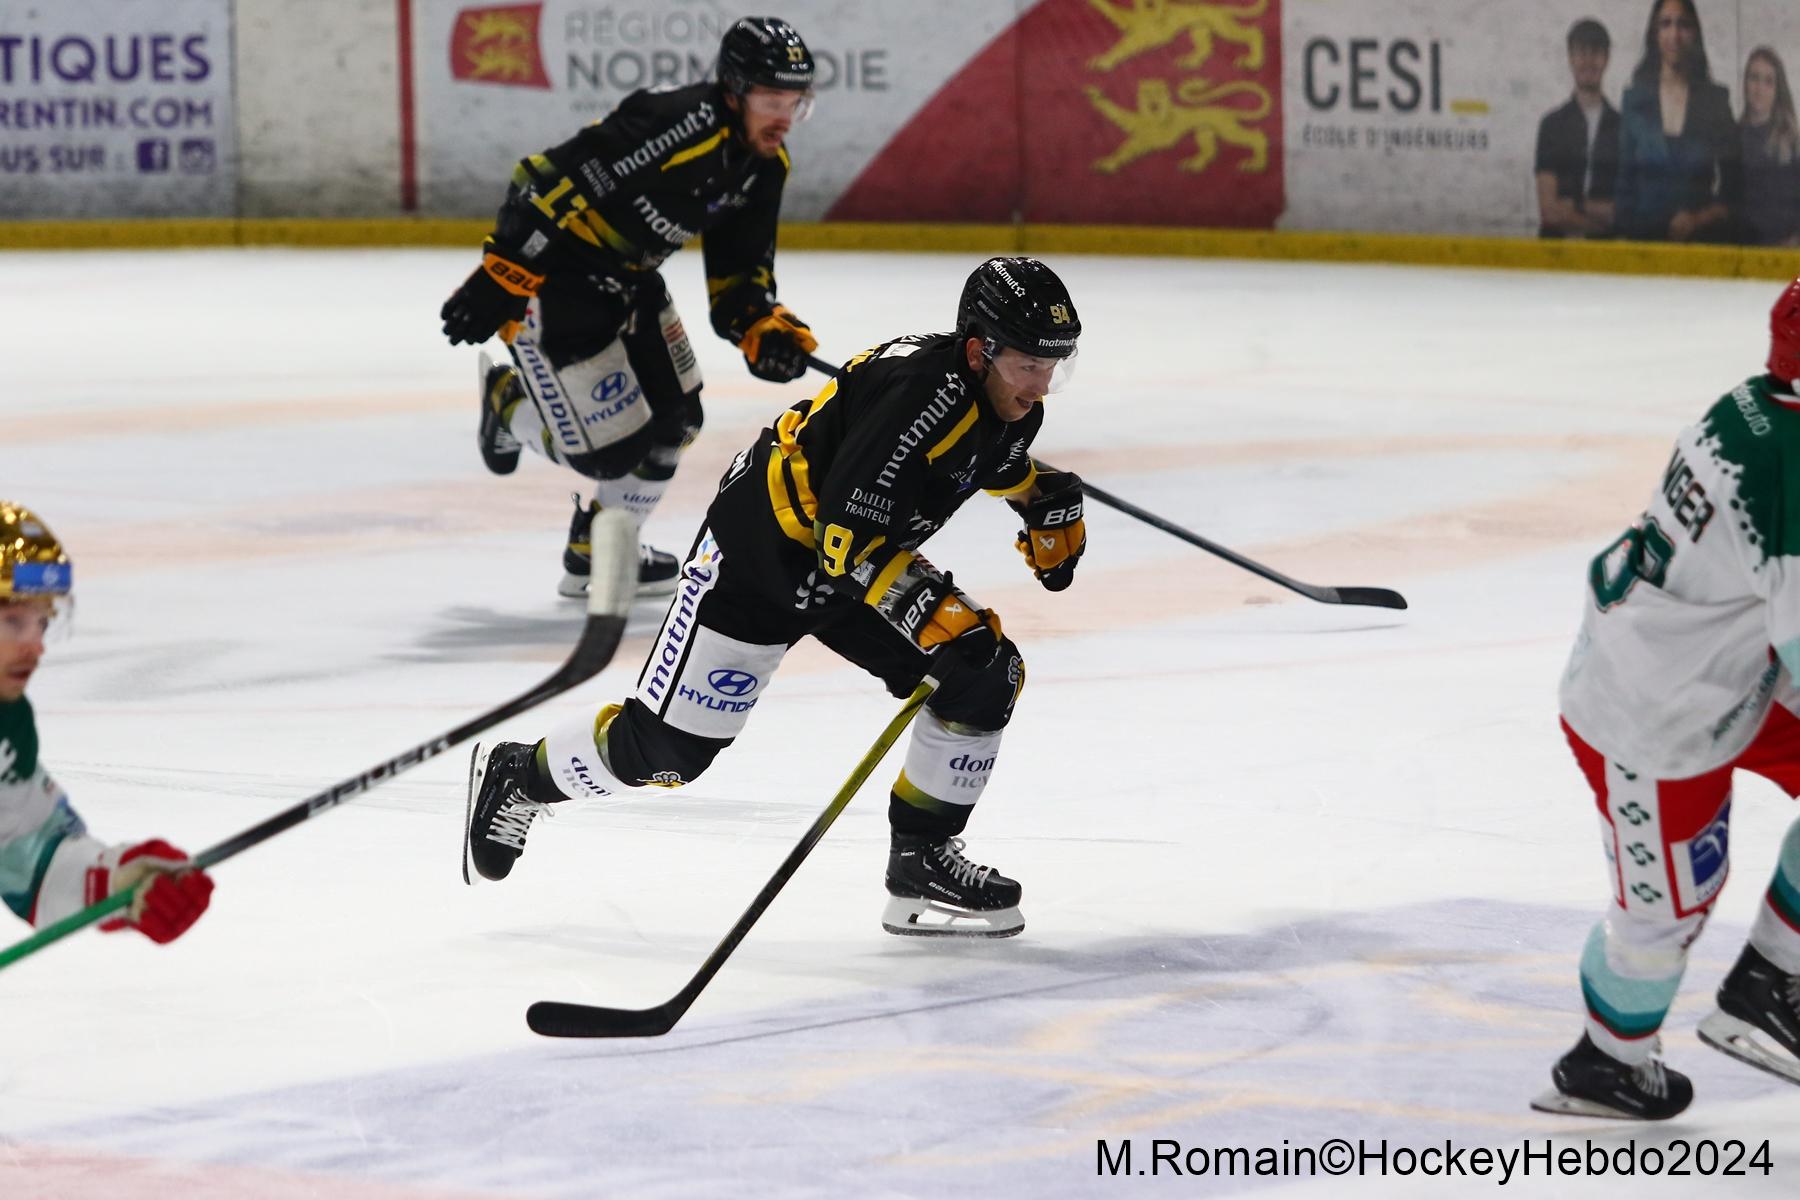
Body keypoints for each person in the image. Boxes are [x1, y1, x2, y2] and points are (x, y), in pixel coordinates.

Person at [460, 258, 1088, 938]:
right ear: (978, 350)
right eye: (1030, 363)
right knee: (669, 752)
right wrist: (932, 611)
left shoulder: (1007, 403)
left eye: (1055, 363)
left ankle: (922, 860)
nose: (1043, 382)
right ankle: (520, 775)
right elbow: (846, 536)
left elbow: (980, 459)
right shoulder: (918, 392)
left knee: (984, 676)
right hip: (757, 563)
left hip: (846, 569)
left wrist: (1038, 499)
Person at [1534, 279, 1800, 1120]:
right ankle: (1607, 1064)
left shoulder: (1758, 402)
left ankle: (1773, 974)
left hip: (1711, 665)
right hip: (1656, 716)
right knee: (1660, 921)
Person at [440, 16, 822, 600]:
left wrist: (759, 326)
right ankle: (507, 403)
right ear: (733, 91)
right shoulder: (678, 126)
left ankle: (597, 545)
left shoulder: (764, 167)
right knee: (609, 456)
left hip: (631, 283)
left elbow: (738, 278)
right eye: (771, 98)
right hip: (555, 286)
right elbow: (545, 179)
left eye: (795, 102)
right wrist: (506, 270)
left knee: (678, 422)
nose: (782, 117)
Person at [0, 502, 214, 945]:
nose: (35, 648)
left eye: (42, 623)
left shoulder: (10, 728)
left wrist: (117, 883)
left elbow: (28, 856)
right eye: (13, 622)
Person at [1613, 0, 1740, 242]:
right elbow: (1624, 187)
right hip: (1644, 244)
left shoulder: (1715, 100)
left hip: (1702, 244)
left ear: (1694, 33)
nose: (1674, 34)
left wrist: (1698, 219)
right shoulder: (1634, 99)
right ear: (1654, 33)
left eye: (1683, 25)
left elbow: (1733, 189)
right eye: (1665, 24)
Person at [1534, 18, 1620, 239]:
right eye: (1581, 52)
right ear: (1570, 58)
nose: (1588, 61)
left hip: (1605, 257)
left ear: (1607, 59)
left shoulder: (1624, 128)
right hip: (1555, 255)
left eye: (1596, 52)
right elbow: (1549, 211)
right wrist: (1599, 222)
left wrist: (1573, 205)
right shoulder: (1551, 125)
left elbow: (1625, 211)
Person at [1739, 46, 1800, 247]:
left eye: (1768, 81)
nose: (1759, 88)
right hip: (1744, 253)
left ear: (1777, 90)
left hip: (1790, 257)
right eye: (1754, 78)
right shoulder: (1732, 137)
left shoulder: (1792, 143)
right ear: (1745, 84)